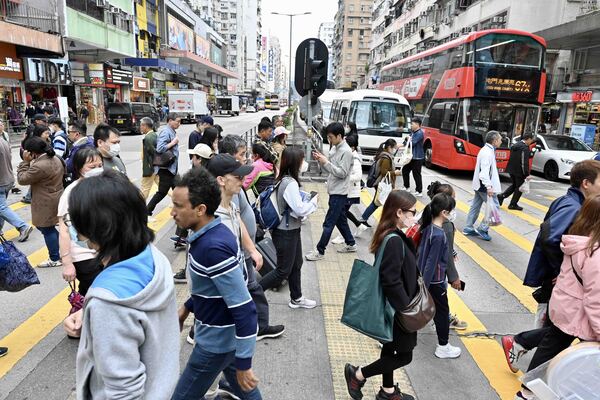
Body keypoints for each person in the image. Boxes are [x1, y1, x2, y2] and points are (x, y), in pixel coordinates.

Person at [62, 170, 180, 398]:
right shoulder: (153, 257)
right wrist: (89, 312)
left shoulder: (108, 301)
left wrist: (99, 310)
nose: (71, 228)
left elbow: (123, 390)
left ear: (96, 228)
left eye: (73, 220)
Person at [170, 168, 261, 400]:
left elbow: (245, 308)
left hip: (214, 344)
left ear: (201, 210)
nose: (172, 212)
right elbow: (213, 287)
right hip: (225, 337)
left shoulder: (212, 248)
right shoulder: (215, 231)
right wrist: (187, 308)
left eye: (179, 206)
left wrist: (245, 363)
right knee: (247, 390)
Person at [501, 160, 600, 374]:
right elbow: (552, 238)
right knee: (560, 333)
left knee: (559, 333)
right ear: (586, 183)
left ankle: (526, 359)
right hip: (563, 283)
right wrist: (561, 270)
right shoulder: (573, 206)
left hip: (566, 285)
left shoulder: (572, 202)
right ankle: (527, 360)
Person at [515, 194, 600, 400]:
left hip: (563, 307)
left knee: (550, 346)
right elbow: (594, 300)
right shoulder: (595, 253)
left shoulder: (574, 240)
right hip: (581, 315)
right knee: (585, 360)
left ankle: (525, 392)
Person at [344, 190, 419, 400]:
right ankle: (358, 375)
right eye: (412, 212)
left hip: (394, 307)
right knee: (404, 355)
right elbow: (391, 280)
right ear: (399, 212)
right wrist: (406, 309)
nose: (414, 216)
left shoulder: (389, 233)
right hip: (398, 309)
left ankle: (387, 392)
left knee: (390, 347)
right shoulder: (394, 240)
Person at [206, 154, 284, 341]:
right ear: (221, 180)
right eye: (238, 177)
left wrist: (252, 250)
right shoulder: (213, 218)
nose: (243, 180)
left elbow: (239, 221)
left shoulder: (229, 206)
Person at [260, 147, 318, 308]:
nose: (303, 164)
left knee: (296, 264)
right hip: (285, 232)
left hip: (289, 229)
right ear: (295, 163)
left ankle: (296, 298)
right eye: (301, 160)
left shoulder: (283, 179)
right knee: (282, 270)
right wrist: (313, 203)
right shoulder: (289, 183)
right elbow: (299, 209)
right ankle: (252, 294)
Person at [418, 193, 462, 359]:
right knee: (442, 313)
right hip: (435, 282)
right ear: (444, 212)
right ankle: (443, 346)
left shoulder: (428, 227)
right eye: (450, 211)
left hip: (427, 279)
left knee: (418, 309)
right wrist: (424, 285)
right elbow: (431, 262)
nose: (452, 214)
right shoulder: (439, 234)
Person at [306, 122, 356, 260]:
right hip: (334, 190)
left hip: (339, 193)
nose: (329, 140)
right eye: (328, 137)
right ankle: (351, 243)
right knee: (340, 221)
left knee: (328, 223)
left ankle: (320, 251)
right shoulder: (336, 147)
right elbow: (332, 167)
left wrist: (325, 162)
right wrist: (323, 160)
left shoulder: (345, 152)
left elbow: (342, 173)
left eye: (331, 137)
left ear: (339, 136)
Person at [58, 148, 104, 296]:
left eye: (100, 166)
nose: (97, 170)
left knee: (88, 295)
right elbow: (64, 230)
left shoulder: (105, 187)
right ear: (79, 169)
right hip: (85, 257)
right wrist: (67, 263)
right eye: (92, 167)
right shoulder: (72, 192)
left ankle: (80, 316)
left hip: (104, 253)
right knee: (98, 294)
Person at [426, 182, 468, 331]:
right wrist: (454, 277)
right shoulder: (446, 226)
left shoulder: (427, 213)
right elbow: (446, 253)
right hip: (437, 272)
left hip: (423, 267)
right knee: (439, 299)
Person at [17, 137, 64, 268]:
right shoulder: (55, 158)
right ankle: (65, 246)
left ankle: (55, 258)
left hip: (45, 201)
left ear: (32, 152)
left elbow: (22, 179)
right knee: (47, 227)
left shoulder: (39, 165)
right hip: (56, 196)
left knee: (46, 228)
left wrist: (24, 162)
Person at [462, 131, 502, 242]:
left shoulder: (487, 150)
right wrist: (489, 187)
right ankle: (483, 228)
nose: (501, 141)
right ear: (494, 141)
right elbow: (484, 173)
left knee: (475, 206)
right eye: (500, 139)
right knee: (494, 208)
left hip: (480, 185)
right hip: (484, 186)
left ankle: (468, 228)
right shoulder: (487, 153)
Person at [356, 139, 401, 236]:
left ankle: (363, 218)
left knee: (377, 203)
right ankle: (387, 223)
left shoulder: (385, 155)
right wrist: (395, 173)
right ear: (389, 147)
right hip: (382, 184)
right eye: (394, 148)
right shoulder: (385, 158)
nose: (394, 150)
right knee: (384, 203)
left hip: (382, 184)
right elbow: (384, 172)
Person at [0, 129, 33, 241]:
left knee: (1, 207)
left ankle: (22, 226)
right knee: (1, 206)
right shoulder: (3, 141)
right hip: (7, 179)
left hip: (1, 181)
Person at [332, 134, 363, 244]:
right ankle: (359, 226)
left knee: (341, 214)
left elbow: (358, 176)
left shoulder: (355, 159)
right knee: (342, 213)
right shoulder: (348, 155)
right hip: (346, 190)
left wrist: (345, 177)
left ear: (353, 147)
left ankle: (343, 236)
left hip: (351, 192)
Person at [147, 113, 180, 216]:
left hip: (171, 168)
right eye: (177, 121)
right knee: (162, 192)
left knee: (179, 190)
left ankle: (180, 211)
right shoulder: (166, 132)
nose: (179, 124)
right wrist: (173, 143)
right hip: (166, 169)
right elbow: (160, 148)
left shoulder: (171, 131)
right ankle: (147, 210)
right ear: (170, 121)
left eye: (180, 122)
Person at [498, 132, 535, 210]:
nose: (531, 142)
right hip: (519, 171)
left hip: (511, 169)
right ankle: (513, 204)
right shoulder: (524, 148)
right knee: (520, 188)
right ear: (528, 139)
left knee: (515, 185)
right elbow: (523, 162)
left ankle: (502, 196)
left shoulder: (516, 145)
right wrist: (526, 174)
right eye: (531, 140)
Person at [402, 118, 425, 196]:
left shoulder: (419, 133)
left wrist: (407, 139)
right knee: (405, 170)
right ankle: (406, 187)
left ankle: (419, 191)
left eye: (412, 124)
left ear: (417, 124)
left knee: (416, 174)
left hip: (417, 158)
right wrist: (403, 143)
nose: (411, 125)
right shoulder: (413, 132)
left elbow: (412, 142)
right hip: (411, 157)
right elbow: (407, 141)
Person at [140, 117, 158, 200]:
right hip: (156, 167)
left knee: (144, 188)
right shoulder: (154, 135)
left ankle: (139, 207)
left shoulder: (148, 138)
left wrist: (150, 167)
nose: (140, 127)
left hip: (150, 167)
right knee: (163, 187)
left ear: (145, 126)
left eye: (141, 125)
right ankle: (177, 201)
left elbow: (152, 153)